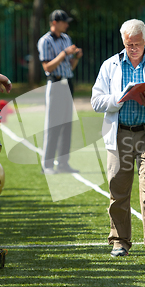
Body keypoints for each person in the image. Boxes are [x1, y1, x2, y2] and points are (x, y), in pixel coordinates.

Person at [91, 19, 145, 260]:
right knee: (117, 190)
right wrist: (118, 98)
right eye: (129, 44)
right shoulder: (110, 65)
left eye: (137, 44)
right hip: (119, 134)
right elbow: (96, 100)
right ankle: (119, 242)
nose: (133, 48)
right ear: (123, 41)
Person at [37, 9, 83, 174]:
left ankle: (63, 163)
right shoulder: (45, 41)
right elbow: (47, 67)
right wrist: (64, 53)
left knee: (66, 125)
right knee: (52, 125)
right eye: (64, 21)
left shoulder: (66, 38)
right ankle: (47, 165)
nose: (67, 24)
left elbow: (70, 66)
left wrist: (76, 57)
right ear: (54, 22)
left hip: (67, 83)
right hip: (55, 83)